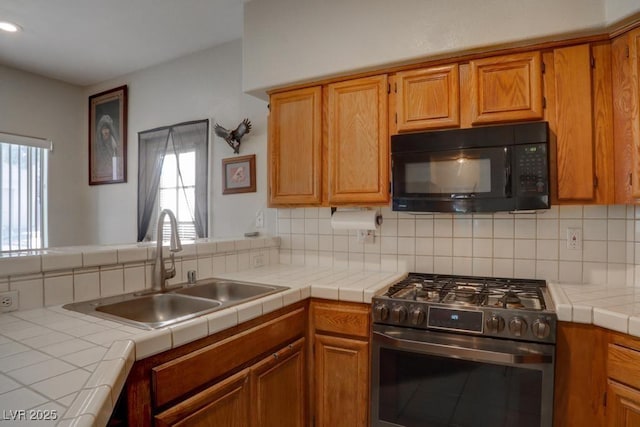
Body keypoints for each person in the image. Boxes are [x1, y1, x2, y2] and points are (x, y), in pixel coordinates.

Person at [94, 114, 120, 179]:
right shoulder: (97, 145)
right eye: (103, 129)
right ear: (101, 131)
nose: (105, 132)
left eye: (107, 129)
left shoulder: (114, 143)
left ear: (110, 130)